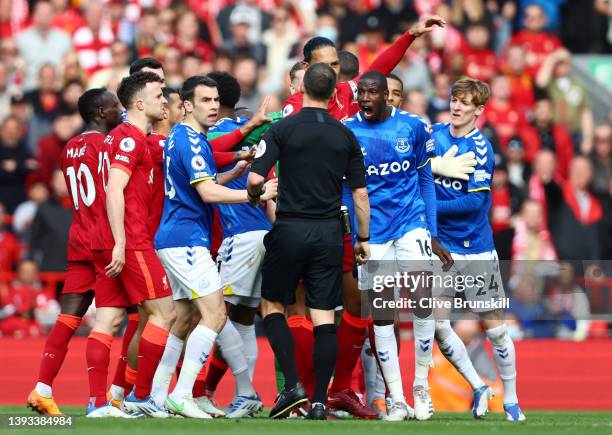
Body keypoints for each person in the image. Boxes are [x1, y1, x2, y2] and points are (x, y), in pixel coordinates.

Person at [282, 16, 445, 419]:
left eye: (339, 65)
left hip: (362, 221)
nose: (341, 72)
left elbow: (381, 68)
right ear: (307, 71)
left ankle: (354, 390)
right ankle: (302, 391)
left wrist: (410, 34)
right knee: (303, 304)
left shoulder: (351, 96)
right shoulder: (296, 108)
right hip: (311, 215)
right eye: (331, 65)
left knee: (364, 305)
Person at [247, 63, 370, 420]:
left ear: (301, 91)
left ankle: (293, 387)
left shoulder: (282, 129)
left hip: (290, 227)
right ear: (334, 93)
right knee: (325, 317)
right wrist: (363, 238)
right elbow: (360, 196)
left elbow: (256, 178)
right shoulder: (346, 135)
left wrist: (257, 193)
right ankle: (319, 400)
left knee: (272, 307)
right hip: (330, 232)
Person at [151, 76, 276, 418]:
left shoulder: (184, 136)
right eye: (205, 100)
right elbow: (207, 194)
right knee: (217, 314)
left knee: (186, 317)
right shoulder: (191, 141)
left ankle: (158, 395)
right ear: (187, 105)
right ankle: (182, 394)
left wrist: (234, 169)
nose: (213, 106)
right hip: (186, 239)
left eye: (215, 100)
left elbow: (202, 184)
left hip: (177, 237)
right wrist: (255, 194)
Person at [344, 71, 452, 421]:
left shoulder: (414, 127)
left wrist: (432, 233)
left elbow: (425, 179)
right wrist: (354, 235)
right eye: (361, 92)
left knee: (422, 302)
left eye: (372, 92)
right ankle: (396, 397)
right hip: (372, 234)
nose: (365, 99)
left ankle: (421, 384)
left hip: (411, 224)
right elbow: (346, 190)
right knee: (383, 316)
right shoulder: (348, 131)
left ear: (386, 96)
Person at [430, 78, 525, 422]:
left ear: (479, 110)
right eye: (454, 99)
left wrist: (428, 207)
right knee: (437, 326)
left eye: (465, 102)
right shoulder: (433, 136)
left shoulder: (482, 148)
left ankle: (512, 399)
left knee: (495, 329)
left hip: (475, 248)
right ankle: (478, 385)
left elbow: (475, 203)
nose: (457, 106)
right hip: (441, 249)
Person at [27, 88, 122, 417]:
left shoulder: (69, 148)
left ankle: (42, 387)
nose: (119, 111)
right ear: (100, 111)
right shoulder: (106, 145)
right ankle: (101, 399)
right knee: (114, 319)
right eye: (114, 106)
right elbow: (115, 189)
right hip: (105, 238)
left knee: (68, 317)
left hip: (79, 233)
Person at [90, 72, 175, 418]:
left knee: (108, 321)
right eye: (158, 95)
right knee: (164, 313)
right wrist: (122, 243)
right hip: (129, 239)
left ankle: (100, 403)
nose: (165, 100)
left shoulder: (130, 138)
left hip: (104, 239)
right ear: (139, 103)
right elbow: (114, 188)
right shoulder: (129, 139)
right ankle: (142, 397)